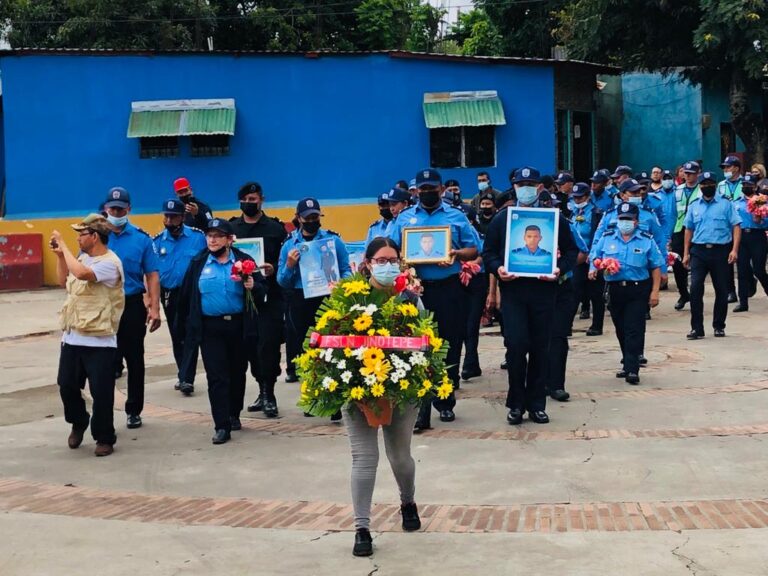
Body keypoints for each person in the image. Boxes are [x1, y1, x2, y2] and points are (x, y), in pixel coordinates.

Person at [344, 237, 423, 557]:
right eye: (381, 260)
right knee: (364, 458)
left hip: (401, 388)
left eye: (393, 260)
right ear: (367, 264)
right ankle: (361, 528)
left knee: (399, 456)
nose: (387, 265)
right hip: (359, 388)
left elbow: (425, 340)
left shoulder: (409, 298)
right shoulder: (347, 298)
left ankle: (407, 501)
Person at [482, 166, 579, 425]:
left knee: (540, 348)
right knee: (515, 346)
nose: (525, 188)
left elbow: (572, 252)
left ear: (539, 188)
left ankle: (537, 404)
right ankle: (515, 403)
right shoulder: (503, 220)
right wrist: (498, 269)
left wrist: (558, 270)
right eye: (520, 184)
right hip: (513, 293)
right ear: (513, 188)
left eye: (530, 184)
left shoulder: (554, 219)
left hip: (545, 292)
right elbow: (488, 253)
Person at [388, 169, 479, 429]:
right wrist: (399, 260)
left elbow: (474, 250)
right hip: (416, 290)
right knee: (417, 346)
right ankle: (420, 408)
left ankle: (445, 400)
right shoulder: (405, 218)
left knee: (449, 344)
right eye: (423, 188)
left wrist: (456, 253)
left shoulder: (456, 216)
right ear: (416, 191)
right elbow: (393, 249)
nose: (427, 192)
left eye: (432, 188)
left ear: (441, 190)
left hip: (449, 288)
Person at [176, 219, 267, 444]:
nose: (213, 239)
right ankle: (221, 424)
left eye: (218, 235)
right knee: (216, 376)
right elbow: (186, 296)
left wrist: (253, 286)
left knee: (237, 372)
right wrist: (185, 326)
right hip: (210, 328)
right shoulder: (198, 262)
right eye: (209, 235)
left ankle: (233, 414)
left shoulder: (243, 261)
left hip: (238, 325)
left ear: (229, 239)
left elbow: (263, 290)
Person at [51, 214, 125, 457]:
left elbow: (83, 274)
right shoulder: (81, 257)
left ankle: (104, 437)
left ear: (94, 236)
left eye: (81, 235)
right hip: (73, 336)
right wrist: (62, 255)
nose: (77, 239)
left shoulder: (109, 263)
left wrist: (63, 245)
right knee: (66, 385)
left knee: (101, 392)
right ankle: (79, 420)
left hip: (100, 340)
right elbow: (64, 279)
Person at [278, 198, 351, 417]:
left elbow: (346, 268)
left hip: (328, 298)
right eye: (307, 217)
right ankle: (313, 397)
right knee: (308, 350)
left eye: (315, 217)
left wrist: (342, 283)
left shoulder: (332, 240)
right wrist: (290, 265)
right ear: (298, 218)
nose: (311, 221)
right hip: (301, 299)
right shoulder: (289, 245)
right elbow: (282, 281)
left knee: (332, 347)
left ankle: (335, 399)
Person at [229, 182, 288, 419]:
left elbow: (284, 263)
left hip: (270, 298)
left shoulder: (275, 228)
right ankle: (260, 389)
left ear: (261, 200)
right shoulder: (232, 229)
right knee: (250, 347)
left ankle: (269, 393)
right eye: (245, 200)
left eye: (253, 199)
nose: (249, 203)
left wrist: (275, 268)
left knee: (269, 346)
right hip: (241, 299)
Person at [103, 187, 161, 430]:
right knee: (103, 360)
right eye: (112, 208)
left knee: (134, 358)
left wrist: (155, 308)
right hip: (103, 305)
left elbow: (152, 275)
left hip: (132, 304)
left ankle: (134, 410)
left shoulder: (141, 239)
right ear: (106, 209)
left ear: (129, 209)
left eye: (120, 209)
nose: (115, 212)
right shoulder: (96, 236)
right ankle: (103, 410)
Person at [589, 203, 663, 385]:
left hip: (638, 289)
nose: (625, 222)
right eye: (622, 219)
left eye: (628, 219)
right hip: (614, 289)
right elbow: (595, 256)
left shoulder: (646, 240)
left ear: (636, 221)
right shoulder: (607, 238)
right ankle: (627, 362)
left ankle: (632, 369)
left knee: (633, 328)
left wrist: (655, 292)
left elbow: (655, 267)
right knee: (620, 328)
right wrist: (595, 267)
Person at [153, 199, 206, 396]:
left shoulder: (197, 237)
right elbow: (153, 274)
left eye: (173, 216)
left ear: (182, 217)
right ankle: (182, 372)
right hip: (170, 294)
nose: (169, 219)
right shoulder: (157, 242)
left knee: (191, 332)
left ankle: (187, 378)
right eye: (166, 216)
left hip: (192, 292)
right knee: (177, 335)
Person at [683, 171, 742, 339]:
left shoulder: (725, 204)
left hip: (721, 251)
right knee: (695, 288)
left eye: (710, 184)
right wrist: (686, 253)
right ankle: (697, 328)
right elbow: (688, 229)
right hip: (699, 251)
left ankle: (718, 325)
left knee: (721, 290)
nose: (707, 187)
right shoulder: (694, 205)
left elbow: (736, 226)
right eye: (704, 184)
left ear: (715, 185)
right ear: (700, 186)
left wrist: (734, 250)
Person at [568, 182, 605, 335]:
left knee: (595, 293)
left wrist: (594, 256)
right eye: (575, 198)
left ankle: (597, 326)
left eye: (580, 197)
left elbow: (600, 236)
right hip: (577, 258)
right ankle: (566, 326)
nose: (577, 200)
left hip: (593, 257)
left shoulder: (597, 213)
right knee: (574, 292)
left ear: (588, 197)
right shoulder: (573, 212)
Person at [732, 174, 767, 312]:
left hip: (757, 236)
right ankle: (743, 302)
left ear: (755, 186)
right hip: (741, 237)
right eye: (744, 185)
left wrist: (760, 220)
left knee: (759, 270)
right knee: (742, 271)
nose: (746, 187)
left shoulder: (761, 201)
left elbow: (766, 221)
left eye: (749, 185)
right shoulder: (737, 202)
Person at [671, 161, 702, 310]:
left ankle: (696, 294)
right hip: (679, 229)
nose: (688, 176)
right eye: (686, 173)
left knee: (696, 262)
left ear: (698, 174)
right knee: (677, 264)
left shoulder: (702, 190)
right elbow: (672, 213)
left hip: (697, 229)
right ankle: (684, 293)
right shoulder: (678, 190)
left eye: (691, 173)